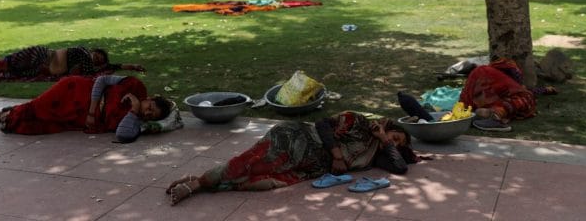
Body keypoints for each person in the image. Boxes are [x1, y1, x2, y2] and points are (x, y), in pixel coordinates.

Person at [166, 111, 418, 205]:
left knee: (259, 182)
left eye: (396, 144)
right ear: (390, 124)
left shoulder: (377, 153)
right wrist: (337, 155)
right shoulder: (359, 122)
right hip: (295, 140)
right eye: (396, 137)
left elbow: (400, 168)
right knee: (245, 165)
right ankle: (198, 183)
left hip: (308, 168)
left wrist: (386, 141)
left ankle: (206, 182)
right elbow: (322, 124)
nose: (393, 143)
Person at [0, 75, 171, 143]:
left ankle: (10, 113)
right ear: (150, 98)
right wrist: (92, 110)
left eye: (150, 114)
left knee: (45, 122)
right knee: (38, 107)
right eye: (150, 107)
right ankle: (4, 115)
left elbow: (122, 136)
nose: (147, 112)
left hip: (80, 117)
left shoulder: (135, 120)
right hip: (79, 91)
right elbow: (102, 80)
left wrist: (135, 110)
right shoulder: (135, 86)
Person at [0, 45, 145, 83]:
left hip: (38, 67)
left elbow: (107, 68)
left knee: (2, 72)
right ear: (92, 51)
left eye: (100, 60)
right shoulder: (82, 52)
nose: (96, 58)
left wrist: (130, 66)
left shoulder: (86, 65)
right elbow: (100, 70)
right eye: (97, 55)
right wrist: (123, 66)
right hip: (38, 56)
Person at [460, 58, 537, 132]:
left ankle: (490, 116)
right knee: (526, 97)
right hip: (483, 80)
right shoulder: (507, 69)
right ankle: (494, 116)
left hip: (472, 101)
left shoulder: (500, 73)